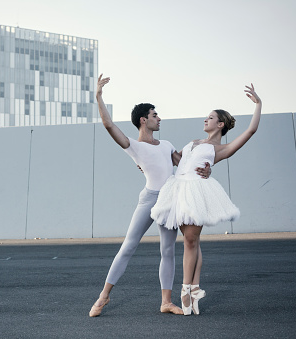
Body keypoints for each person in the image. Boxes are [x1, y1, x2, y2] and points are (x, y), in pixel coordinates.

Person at [89, 74, 211, 317]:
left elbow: (186, 164)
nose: (159, 118)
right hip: (149, 199)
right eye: (155, 115)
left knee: (167, 250)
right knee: (128, 246)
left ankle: (166, 301)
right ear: (144, 120)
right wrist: (99, 96)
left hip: (170, 200)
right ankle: (103, 296)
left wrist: (206, 169)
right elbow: (109, 126)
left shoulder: (166, 144)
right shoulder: (135, 146)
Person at [151, 84, 262, 316]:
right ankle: (195, 289)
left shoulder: (221, 149)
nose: (205, 119)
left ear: (220, 124)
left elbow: (250, 132)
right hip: (177, 191)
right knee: (192, 240)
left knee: (191, 240)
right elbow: (175, 159)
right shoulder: (193, 142)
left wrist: (258, 105)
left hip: (196, 192)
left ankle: (186, 289)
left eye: (210, 117)